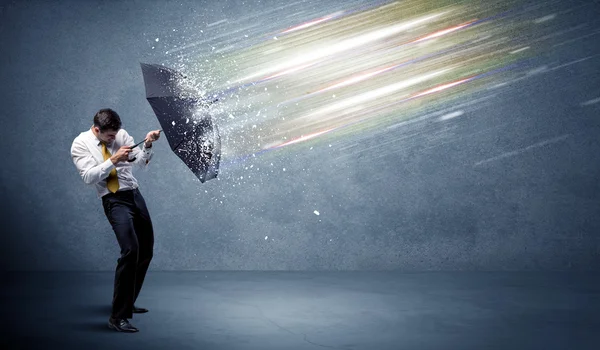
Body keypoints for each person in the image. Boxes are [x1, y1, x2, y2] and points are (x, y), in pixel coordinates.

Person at [70, 108, 161, 333]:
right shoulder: (80, 144)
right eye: (110, 135)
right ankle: (117, 317)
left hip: (134, 194)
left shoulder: (120, 134)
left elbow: (140, 162)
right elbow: (88, 177)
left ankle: (127, 301)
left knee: (146, 249)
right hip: (113, 199)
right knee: (130, 250)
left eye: (116, 133)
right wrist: (113, 160)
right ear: (97, 130)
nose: (115, 138)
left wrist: (148, 145)